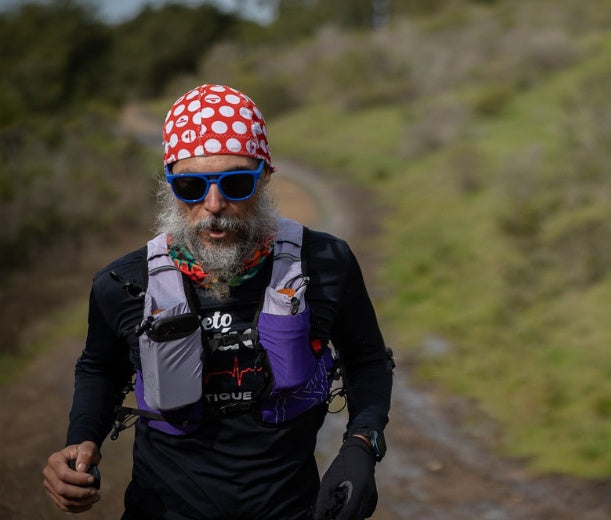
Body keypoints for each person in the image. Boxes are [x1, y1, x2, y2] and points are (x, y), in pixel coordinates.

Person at [41, 84, 393, 520]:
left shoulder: (325, 263)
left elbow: (367, 359)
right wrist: (81, 441)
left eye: (236, 182)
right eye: (191, 185)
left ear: (265, 177)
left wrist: (362, 444)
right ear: (169, 183)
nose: (214, 204)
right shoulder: (123, 283)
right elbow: (100, 369)